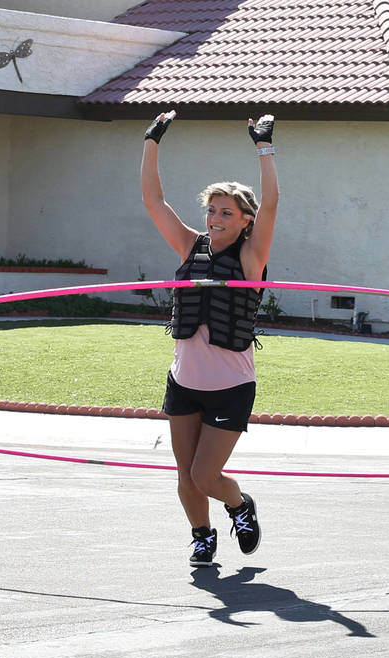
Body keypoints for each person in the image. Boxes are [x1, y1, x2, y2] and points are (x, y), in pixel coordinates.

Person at [141, 110, 279, 567]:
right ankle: (202, 534)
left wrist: (264, 147)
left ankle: (239, 504)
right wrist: (151, 140)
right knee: (185, 473)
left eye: (226, 212)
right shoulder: (189, 246)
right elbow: (153, 200)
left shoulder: (251, 257)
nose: (215, 218)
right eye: (211, 210)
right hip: (184, 380)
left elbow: (273, 204)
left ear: (245, 221)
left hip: (230, 386)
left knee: (205, 473)